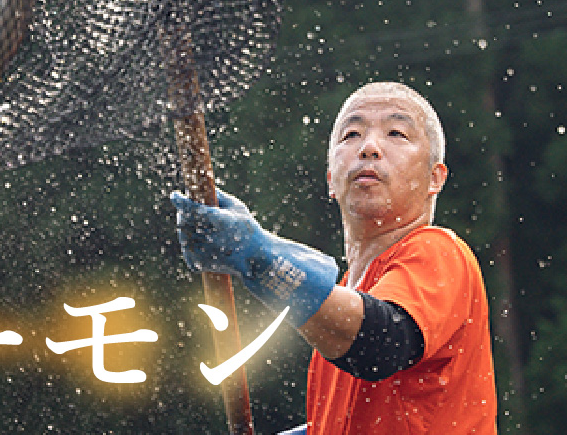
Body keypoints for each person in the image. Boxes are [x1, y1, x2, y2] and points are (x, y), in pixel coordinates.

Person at [172, 81, 497, 433]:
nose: (369, 147)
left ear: (435, 178)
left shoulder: (440, 251)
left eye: (397, 133)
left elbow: (380, 344)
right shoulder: (337, 309)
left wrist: (258, 256)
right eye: (352, 134)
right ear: (331, 180)